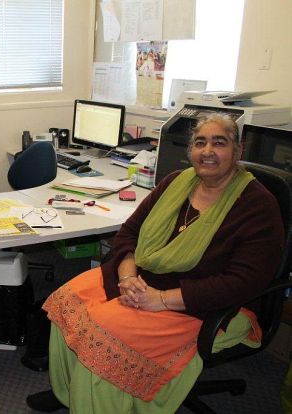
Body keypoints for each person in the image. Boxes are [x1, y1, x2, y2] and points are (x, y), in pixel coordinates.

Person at [26, 114, 284, 413]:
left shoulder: (257, 206)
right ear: (191, 150)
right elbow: (129, 231)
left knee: (101, 330)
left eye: (219, 142)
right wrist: (127, 276)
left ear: (237, 150)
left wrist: (161, 300)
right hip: (142, 280)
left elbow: (244, 282)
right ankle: (71, 393)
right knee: (66, 299)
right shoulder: (176, 182)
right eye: (200, 142)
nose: (208, 151)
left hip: (201, 302)